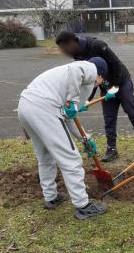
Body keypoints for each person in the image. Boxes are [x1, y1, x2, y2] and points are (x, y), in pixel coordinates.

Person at [17, 57, 109, 220]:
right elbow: (76, 70)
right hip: (43, 108)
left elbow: (68, 117)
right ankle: (83, 206)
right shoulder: (91, 68)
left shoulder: (65, 81)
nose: (97, 84)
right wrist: (73, 101)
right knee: (71, 159)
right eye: (100, 82)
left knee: (45, 156)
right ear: (100, 76)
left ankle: (51, 197)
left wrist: (85, 138)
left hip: (26, 106)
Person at [55, 31, 134, 162]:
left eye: (64, 48)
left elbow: (116, 64)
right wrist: (87, 100)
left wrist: (115, 86)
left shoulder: (97, 45)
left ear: (71, 42)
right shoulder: (78, 56)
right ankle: (112, 149)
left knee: (132, 112)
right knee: (109, 118)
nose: (65, 52)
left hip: (121, 82)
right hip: (104, 85)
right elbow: (88, 80)